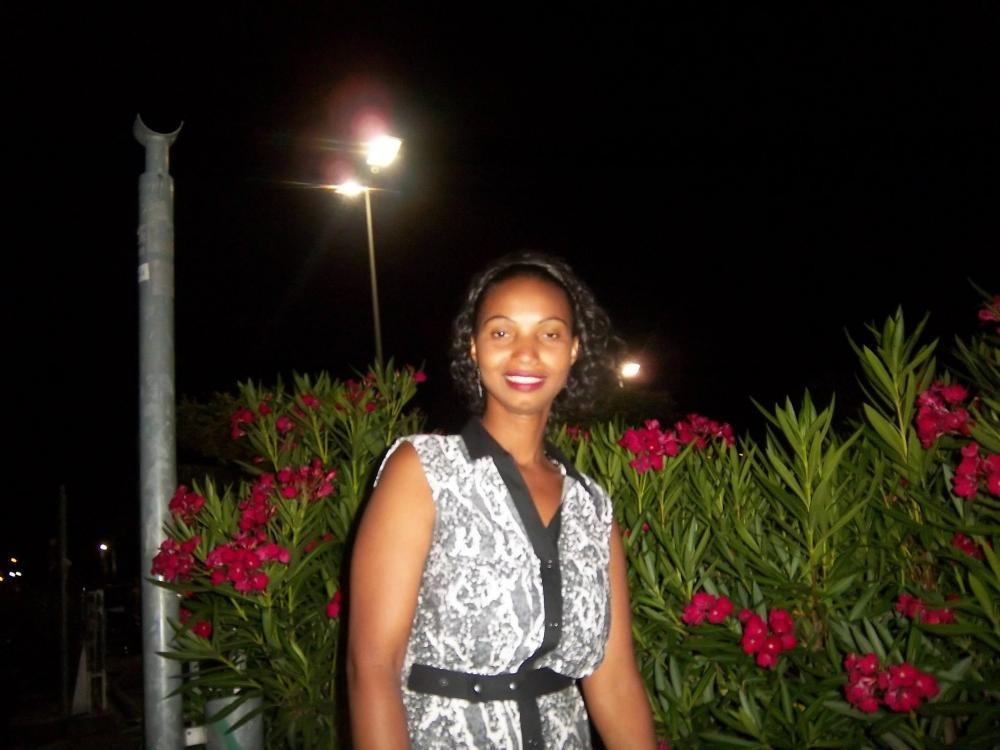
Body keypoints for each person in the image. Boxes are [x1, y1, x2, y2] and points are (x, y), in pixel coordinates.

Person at [346, 250, 658, 749]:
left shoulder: (591, 506)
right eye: (501, 332)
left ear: (574, 350)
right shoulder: (424, 471)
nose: (526, 353)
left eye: (549, 334)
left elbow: (615, 680)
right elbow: (372, 668)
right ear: (473, 348)